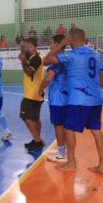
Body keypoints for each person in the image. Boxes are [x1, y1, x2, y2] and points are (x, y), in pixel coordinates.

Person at [44, 29, 103, 173]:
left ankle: (71, 163)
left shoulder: (70, 55)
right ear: (84, 39)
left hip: (78, 100)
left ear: (71, 39)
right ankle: (102, 165)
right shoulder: (95, 54)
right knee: (96, 131)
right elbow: (101, 76)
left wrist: (62, 43)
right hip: (96, 99)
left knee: (69, 129)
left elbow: (46, 60)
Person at [38, 34, 67, 162]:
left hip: (58, 99)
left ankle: (61, 154)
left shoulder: (57, 60)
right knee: (66, 127)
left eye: (51, 43)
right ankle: (65, 151)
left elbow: (48, 77)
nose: (50, 45)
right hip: (68, 98)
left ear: (56, 45)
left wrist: (40, 89)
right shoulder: (67, 58)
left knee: (58, 126)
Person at [18, 38, 45, 152]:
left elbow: (29, 72)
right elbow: (22, 54)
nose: (24, 48)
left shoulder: (37, 58)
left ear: (30, 46)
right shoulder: (35, 55)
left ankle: (38, 141)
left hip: (32, 94)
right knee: (35, 119)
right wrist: (23, 51)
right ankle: (37, 139)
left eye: (25, 46)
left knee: (27, 117)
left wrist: (23, 61)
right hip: (35, 93)